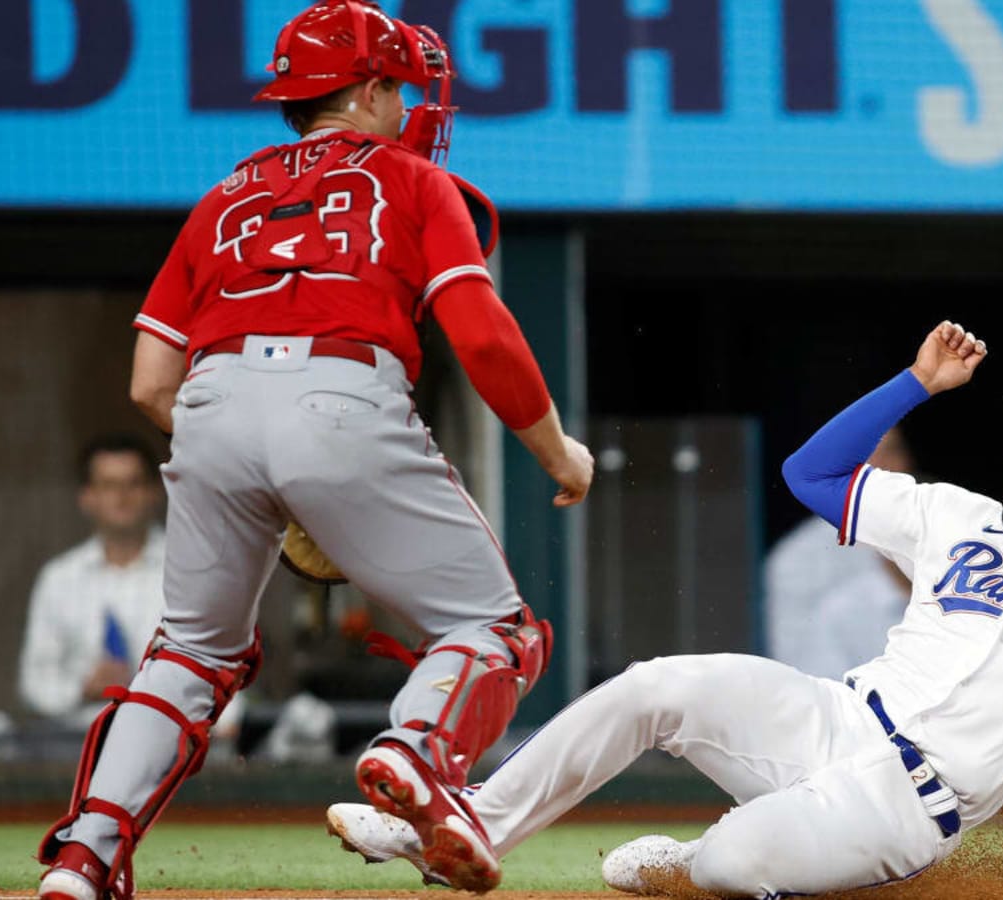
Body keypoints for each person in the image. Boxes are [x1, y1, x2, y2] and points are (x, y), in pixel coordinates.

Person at [323, 322, 1003, 899]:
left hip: (905, 809)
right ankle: (455, 827)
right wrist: (912, 387)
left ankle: (686, 873)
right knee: (659, 685)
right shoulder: (953, 514)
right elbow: (808, 472)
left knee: (731, 865)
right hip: (832, 718)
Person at [34, 3, 593, 899]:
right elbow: (482, 336)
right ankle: (414, 753)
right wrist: (557, 451)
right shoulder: (411, 179)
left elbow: (149, 383)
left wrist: (249, 451)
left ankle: (84, 855)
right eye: (397, 85)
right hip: (341, 388)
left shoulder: (222, 196)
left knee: (188, 654)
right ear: (369, 89)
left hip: (208, 407)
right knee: (495, 631)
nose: (408, 102)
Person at [19, 436, 166, 725]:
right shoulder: (60, 577)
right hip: (77, 745)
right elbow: (34, 681)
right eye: (109, 486)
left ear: (154, 492)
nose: (121, 497)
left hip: (169, 742)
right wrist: (84, 689)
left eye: (132, 484)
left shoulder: (188, 572)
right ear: (87, 497)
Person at [764, 427, 913, 678]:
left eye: (892, 451)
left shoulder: (934, 526)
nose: (882, 467)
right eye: (865, 456)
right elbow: (800, 673)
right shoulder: (799, 558)